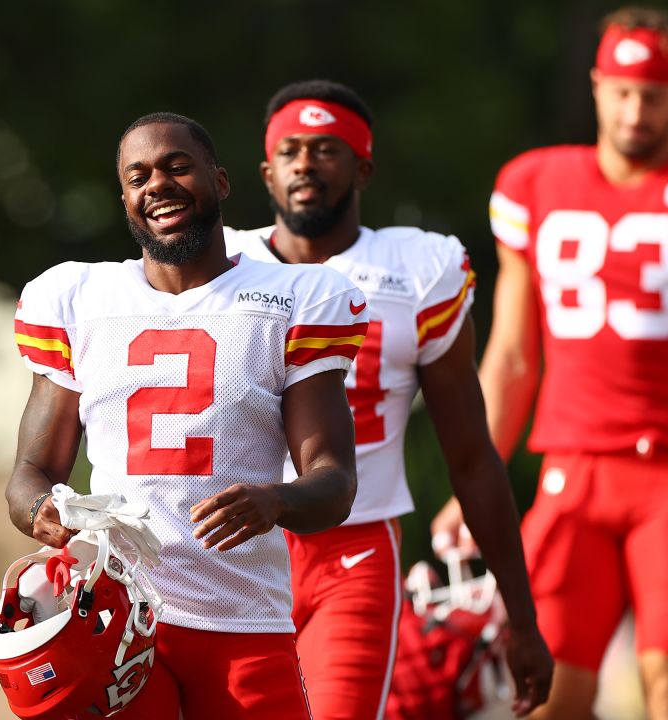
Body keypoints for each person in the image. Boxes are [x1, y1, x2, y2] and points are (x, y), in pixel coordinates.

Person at [433, 8, 668, 718]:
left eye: (653, 94)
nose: (635, 111)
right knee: (548, 695)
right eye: (623, 91)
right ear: (598, 86)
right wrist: (470, 487)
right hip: (574, 472)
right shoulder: (535, 185)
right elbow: (510, 358)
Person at [5, 112, 364, 719]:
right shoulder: (77, 299)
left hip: (243, 623)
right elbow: (28, 475)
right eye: (138, 176)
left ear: (220, 181)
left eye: (177, 167)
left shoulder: (294, 298)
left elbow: (334, 483)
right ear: (124, 198)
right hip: (117, 624)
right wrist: (48, 514)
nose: (158, 186)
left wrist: (275, 501)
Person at [226, 79, 553, 720]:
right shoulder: (221, 265)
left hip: (355, 548)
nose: (305, 164)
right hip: (235, 552)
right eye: (290, 150)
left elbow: (471, 455)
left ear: (362, 167)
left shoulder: (418, 271)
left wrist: (521, 618)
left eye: (326, 149)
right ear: (267, 172)